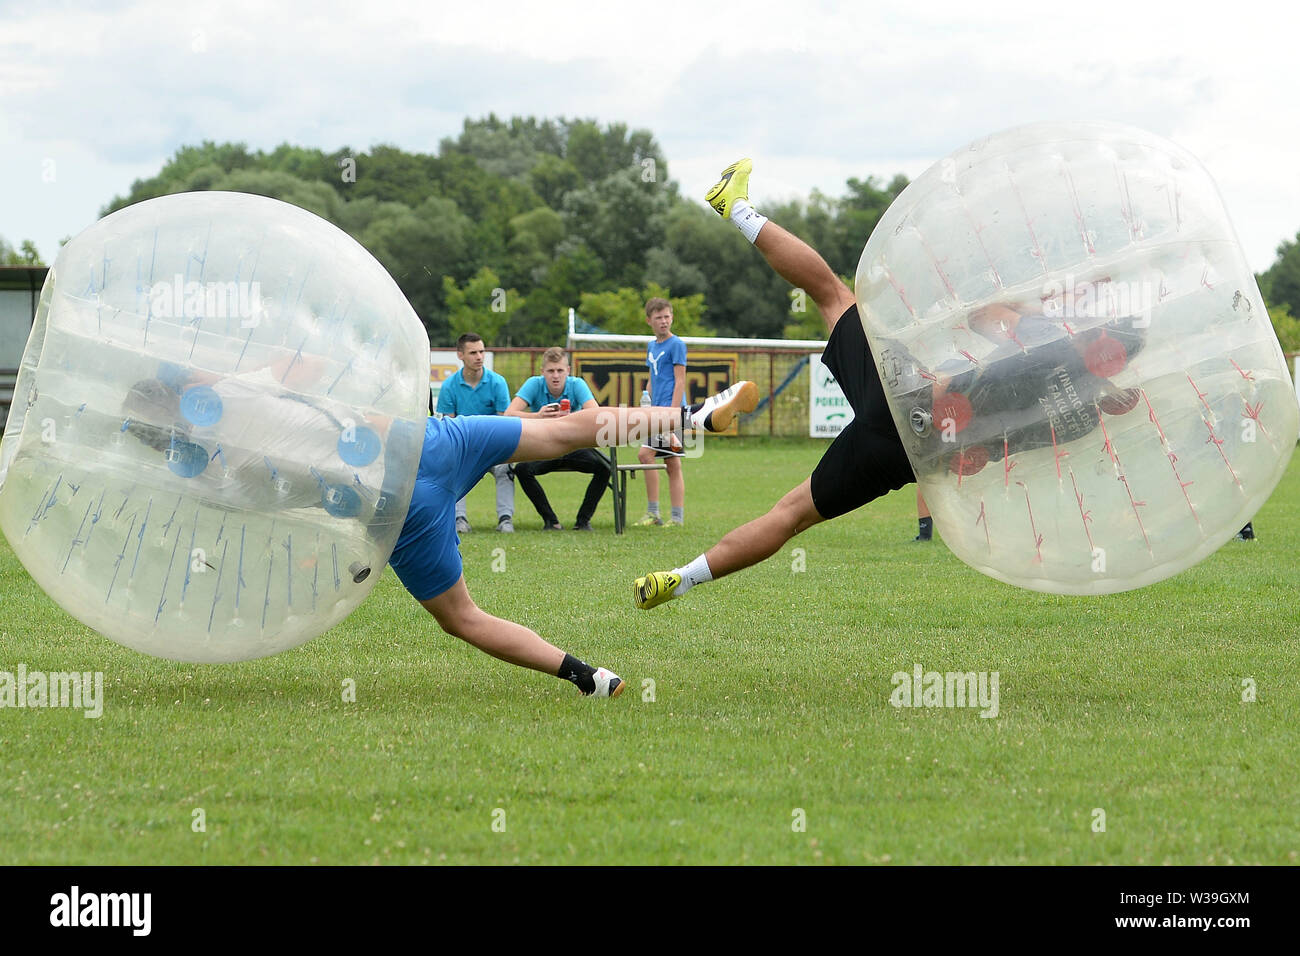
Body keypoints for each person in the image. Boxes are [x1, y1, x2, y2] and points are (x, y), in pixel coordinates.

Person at [634, 158, 1145, 610]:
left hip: (906, 397)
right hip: (908, 455)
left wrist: (1041, 308)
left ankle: (737, 207)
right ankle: (680, 580)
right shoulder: (1082, 419)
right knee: (791, 516)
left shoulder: (1047, 337)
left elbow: (986, 318)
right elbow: (990, 456)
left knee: (831, 293)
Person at [123, 359, 761, 697]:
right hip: (423, 444)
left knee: (463, 617)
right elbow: (310, 368)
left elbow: (290, 513)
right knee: (564, 429)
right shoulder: (239, 389)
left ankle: (589, 678)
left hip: (396, 511)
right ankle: (694, 417)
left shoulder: (220, 474)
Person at [505, 347, 610, 531]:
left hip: (573, 445)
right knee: (522, 469)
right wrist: (539, 416)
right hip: (544, 446)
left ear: (568, 371)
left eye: (560, 371)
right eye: (551, 371)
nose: (555, 376)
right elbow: (508, 415)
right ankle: (551, 521)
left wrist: (572, 419)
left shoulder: (576, 384)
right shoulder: (534, 384)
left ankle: (583, 521)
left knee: (605, 468)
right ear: (542, 372)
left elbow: (596, 414)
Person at [436, 333, 515, 534]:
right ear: (460, 355)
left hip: (493, 446)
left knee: (506, 469)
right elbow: (449, 428)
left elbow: (503, 423)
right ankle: (459, 519)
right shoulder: (449, 386)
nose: (479, 356)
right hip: (464, 447)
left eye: (481, 351)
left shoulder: (498, 382)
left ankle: (506, 519)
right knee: (452, 467)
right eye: (473, 353)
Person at [635, 298, 688, 527]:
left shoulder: (676, 344)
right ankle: (669, 516)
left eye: (666, 316)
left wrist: (673, 413)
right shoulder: (651, 346)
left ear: (672, 317)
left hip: (669, 411)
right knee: (672, 463)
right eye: (658, 317)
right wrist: (646, 399)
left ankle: (661, 514)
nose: (663, 321)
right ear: (649, 321)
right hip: (655, 410)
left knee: (647, 456)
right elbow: (653, 377)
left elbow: (680, 380)